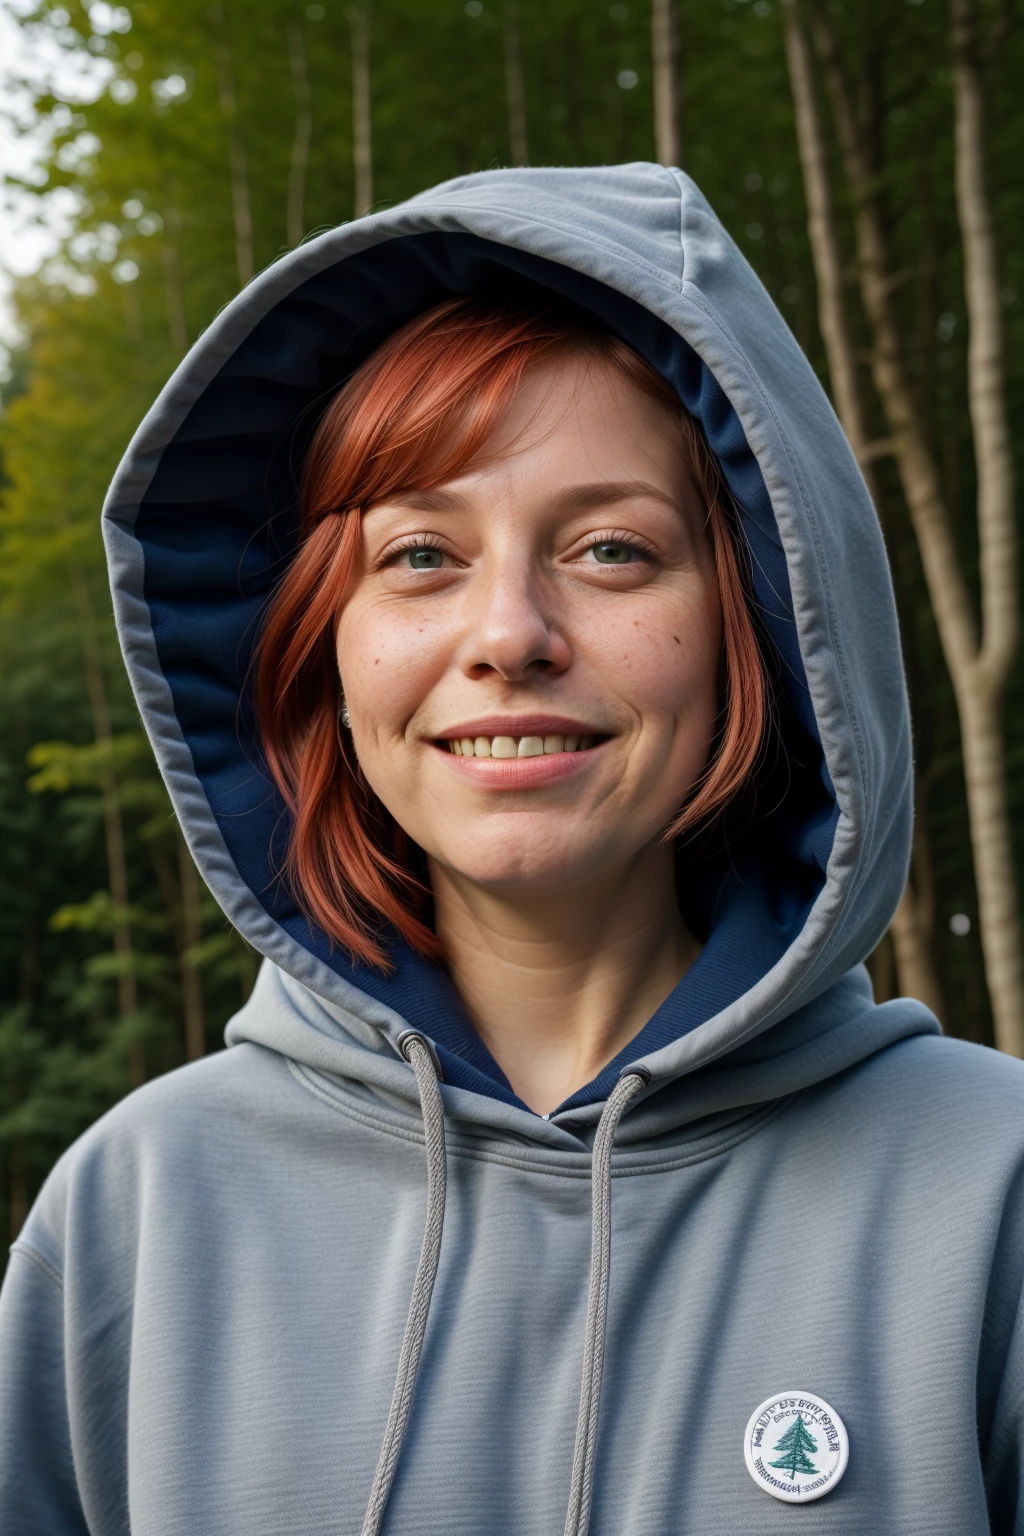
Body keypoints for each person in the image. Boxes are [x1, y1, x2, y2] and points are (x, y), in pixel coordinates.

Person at [1, 163, 1021, 1535]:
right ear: (322, 652)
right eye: (422, 555)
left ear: (759, 629)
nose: (508, 635)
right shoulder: (135, 1215)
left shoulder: (993, 1189)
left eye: (609, 550)